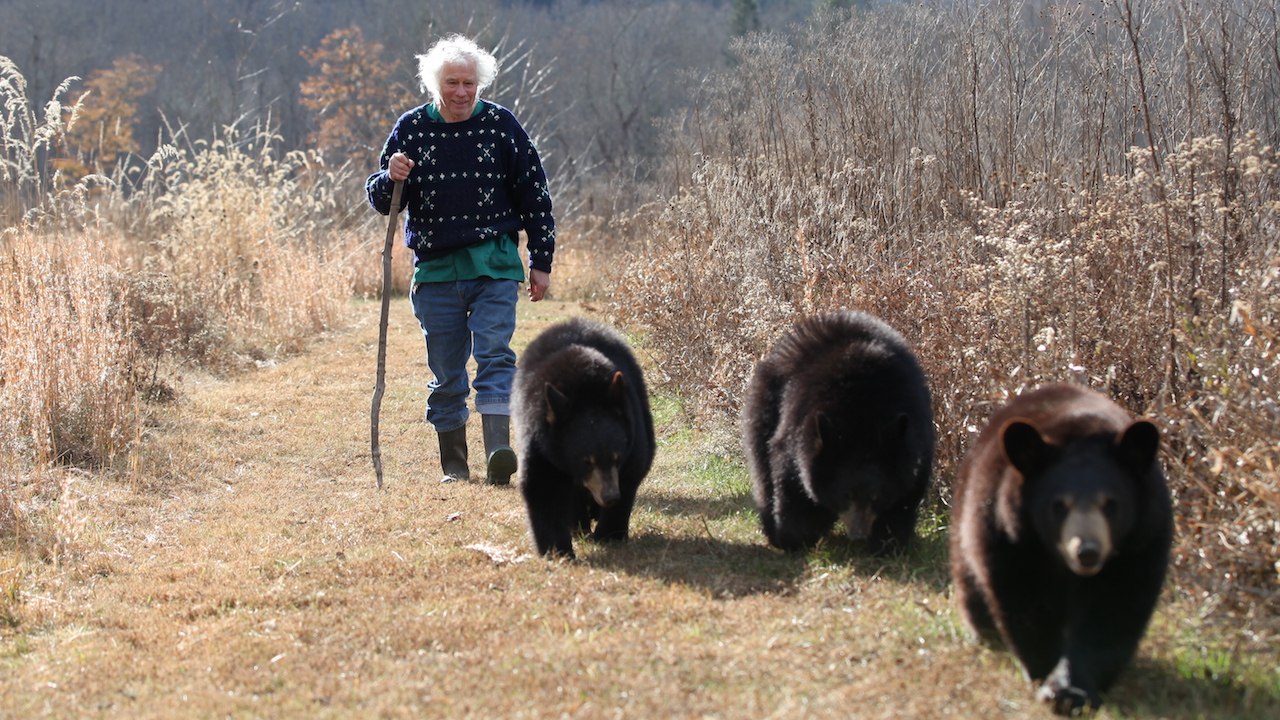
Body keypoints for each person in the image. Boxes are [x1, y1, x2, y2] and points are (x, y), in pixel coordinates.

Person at [367, 34, 555, 485]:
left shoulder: (501, 126)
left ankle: (498, 452)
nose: (461, 92)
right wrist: (389, 176)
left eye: (469, 82)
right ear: (436, 84)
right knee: (447, 370)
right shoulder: (412, 129)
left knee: (495, 354)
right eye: (452, 82)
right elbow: (382, 199)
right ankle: (454, 465)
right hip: (435, 271)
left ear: (480, 83)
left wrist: (541, 259)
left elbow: (535, 193)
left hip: (494, 263)